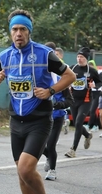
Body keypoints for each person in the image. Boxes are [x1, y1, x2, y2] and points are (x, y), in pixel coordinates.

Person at [0, 9, 75, 194]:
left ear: (29, 31)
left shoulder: (45, 54)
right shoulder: (5, 57)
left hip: (39, 119)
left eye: (22, 29)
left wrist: (50, 90)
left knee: (26, 169)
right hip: (16, 121)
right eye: (14, 29)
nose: (18, 33)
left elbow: (70, 76)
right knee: (22, 174)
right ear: (10, 32)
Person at [42, 42, 74, 181]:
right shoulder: (41, 75)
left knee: (51, 144)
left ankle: (53, 170)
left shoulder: (63, 76)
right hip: (42, 117)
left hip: (57, 117)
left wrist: (58, 104)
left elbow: (69, 100)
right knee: (39, 145)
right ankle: (49, 156)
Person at [65, 47, 102, 158]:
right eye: (78, 56)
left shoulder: (91, 71)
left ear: (86, 58)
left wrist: (95, 85)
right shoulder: (72, 68)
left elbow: (100, 82)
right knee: (78, 124)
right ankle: (87, 135)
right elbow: (66, 79)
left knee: (78, 123)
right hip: (73, 100)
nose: (79, 59)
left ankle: (73, 150)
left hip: (86, 101)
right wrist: (67, 84)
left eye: (81, 57)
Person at [55, 47, 71, 134]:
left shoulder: (65, 67)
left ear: (61, 56)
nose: (54, 56)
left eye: (56, 55)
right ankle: (66, 119)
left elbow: (70, 79)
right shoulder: (48, 64)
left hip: (62, 89)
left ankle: (65, 119)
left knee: (61, 105)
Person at [86, 60, 101, 132]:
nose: (90, 66)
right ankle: (96, 125)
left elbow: (100, 83)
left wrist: (95, 86)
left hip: (98, 93)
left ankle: (89, 125)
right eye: (89, 65)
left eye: (91, 65)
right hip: (91, 93)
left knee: (92, 110)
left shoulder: (97, 73)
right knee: (91, 110)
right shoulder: (87, 74)